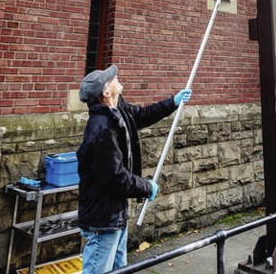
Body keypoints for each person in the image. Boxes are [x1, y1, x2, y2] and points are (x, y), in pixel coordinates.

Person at [77, 64, 191, 273]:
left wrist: (172, 103)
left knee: (119, 268)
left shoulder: (117, 110)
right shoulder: (101, 129)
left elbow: (142, 115)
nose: (116, 77)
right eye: (111, 78)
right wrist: (146, 187)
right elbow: (115, 178)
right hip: (104, 220)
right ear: (105, 92)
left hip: (116, 214)